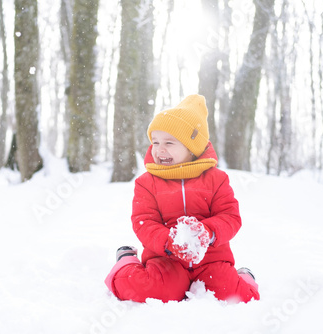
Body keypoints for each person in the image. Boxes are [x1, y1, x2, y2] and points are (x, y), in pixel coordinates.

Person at [104, 94, 260, 303]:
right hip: (166, 258)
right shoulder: (147, 182)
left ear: (191, 148)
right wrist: (169, 241)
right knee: (152, 291)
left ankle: (244, 278)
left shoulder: (217, 179)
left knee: (233, 295)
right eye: (156, 141)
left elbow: (230, 216)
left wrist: (208, 232)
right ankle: (125, 261)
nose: (160, 149)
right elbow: (144, 222)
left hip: (211, 259)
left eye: (169, 142)